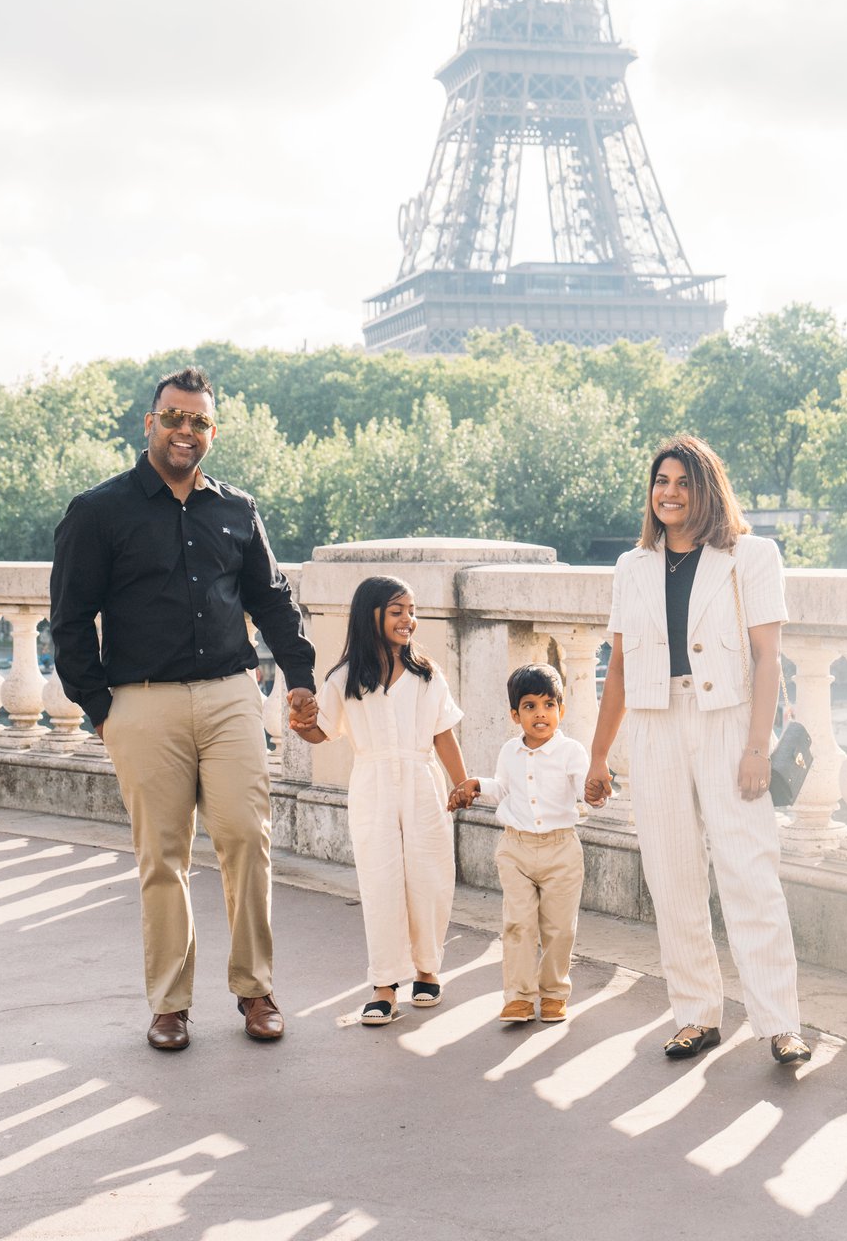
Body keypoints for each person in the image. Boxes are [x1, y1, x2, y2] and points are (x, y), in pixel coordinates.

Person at [49, 366, 317, 1053]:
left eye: (198, 421)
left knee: (246, 840)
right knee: (162, 858)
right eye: (173, 417)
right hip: (143, 704)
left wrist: (300, 675)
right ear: (150, 423)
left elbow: (272, 599)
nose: (184, 430)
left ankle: (256, 989)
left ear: (212, 432)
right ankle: (169, 1005)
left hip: (230, 696)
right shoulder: (98, 512)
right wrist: (102, 709)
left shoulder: (237, 509)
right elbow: (70, 621)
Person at [583, 435, 813, 1066]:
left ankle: (781, 1023)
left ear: (707, 488)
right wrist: (599, 756)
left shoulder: (751, 556)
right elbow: (619, 670)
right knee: (672, 876)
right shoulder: (633, 566)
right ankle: (696, 1015)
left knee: (750, 874)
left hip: (728, 723)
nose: (671, 493)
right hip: (654, 726)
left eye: (684, 482)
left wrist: (757, 747)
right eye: (661, 481)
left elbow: (768, 658)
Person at [291, 575, 469, 1025]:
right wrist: (300, 724)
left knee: (430, 877)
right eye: (396, 611)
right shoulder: (345, 678)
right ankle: (385, 985)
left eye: (412, 610)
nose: (408, 619)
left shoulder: (427, 674)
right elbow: (321, 731)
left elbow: (443, 734)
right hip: (372, 785)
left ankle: (428, 969)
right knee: (381, 882)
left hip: (423, 783)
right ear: (369, 616)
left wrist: (462, 782)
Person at [448, 663, 590, 1026]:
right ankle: (519, 997)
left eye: (548, 704)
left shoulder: (571, 752)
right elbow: (503, 790)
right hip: (516, 849)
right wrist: (477, 784)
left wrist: (596, 792)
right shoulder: (509, 752)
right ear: (515, 715)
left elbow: (583, 791)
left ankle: (554, 993)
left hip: (562, 849)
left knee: (560, 929)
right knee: (518, 925)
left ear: (561, 710)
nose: (540, 713)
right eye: (530, 706)